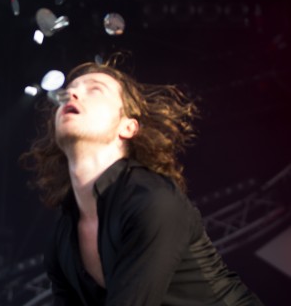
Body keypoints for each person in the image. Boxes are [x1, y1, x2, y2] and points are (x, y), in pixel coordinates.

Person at [21, 57, 264, 305]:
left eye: (94, 89)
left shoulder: (152, 200)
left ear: (128, 127)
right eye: (68, 90)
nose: (70, 94)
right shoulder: (62, 238)